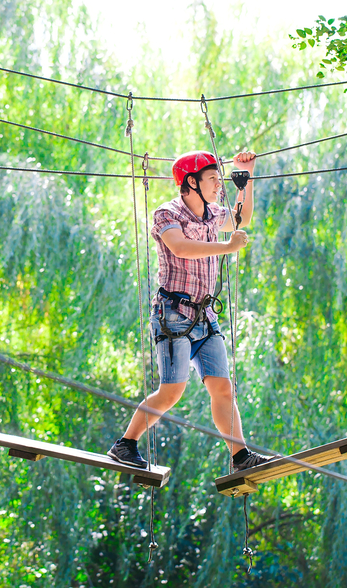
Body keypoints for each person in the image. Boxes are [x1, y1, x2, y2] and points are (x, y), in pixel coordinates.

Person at [108, 149, 270, 472]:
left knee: (222, 387)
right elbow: (181, 247)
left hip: (204, 316)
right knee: (171, 391)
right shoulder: (166, 215)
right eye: (212, 179)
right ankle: (125, 444)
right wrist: (226, 246)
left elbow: (243, 217)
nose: (217, 186)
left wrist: (245, 177)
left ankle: (240, 457)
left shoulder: (213, 214)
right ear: (191, 182)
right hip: (173, 316)